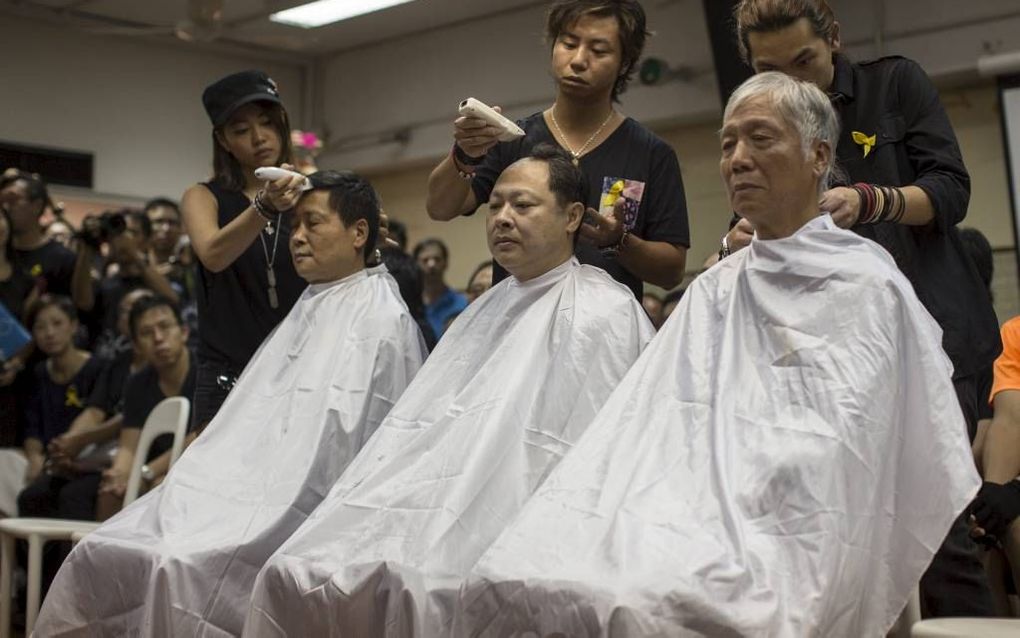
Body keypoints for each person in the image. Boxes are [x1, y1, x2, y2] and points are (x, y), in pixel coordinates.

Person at [457, 72, 979, 637]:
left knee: (674, 604)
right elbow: (650, 424)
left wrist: (751, 485)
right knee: (518, 573)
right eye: (728, 143)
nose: (737, 158)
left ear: (819, 154)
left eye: (761, 139)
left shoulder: (866, 284)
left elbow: (849, 448)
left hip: (793, 519)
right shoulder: (715, 287)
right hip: (689, 508)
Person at [245, 145, 655, 637]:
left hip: (527, 520)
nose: (502, 218)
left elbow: (597, 455)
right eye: (496, 205)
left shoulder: (605, 311)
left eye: (522, 206)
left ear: (571, 216)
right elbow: (420, 429)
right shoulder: (483, 312)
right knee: (297, 565)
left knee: (424, 584)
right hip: (437, 502)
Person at [35, 170, 427, 638]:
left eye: (313, 224)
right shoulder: (314, 301)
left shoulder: (381, 319)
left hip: (293, 509)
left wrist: (258, 491)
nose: (297, 238)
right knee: (106, 548)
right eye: (294, 226)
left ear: (359, 232)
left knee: (176, 566)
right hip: (243, 492)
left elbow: (340, 449)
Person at [729, 0, 1001, 616]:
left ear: (833, 39)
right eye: (772, 70)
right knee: (835, 519)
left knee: (937, 525)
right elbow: (752, 210)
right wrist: (735, 238)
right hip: (827, 356)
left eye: (805, 62)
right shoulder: (763, 121)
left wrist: (873, 200)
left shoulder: (894, 85)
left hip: (930, 334)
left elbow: (951, 190)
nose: (793, 85)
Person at [425, 0, 690, 298]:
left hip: (605, 332)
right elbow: (440, 208)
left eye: (599, 50)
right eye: (568, 43)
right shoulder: (515, 139)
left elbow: (672, 271)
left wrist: (619, 241)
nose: (578, 60)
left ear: (625, 63)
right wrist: (464, 155)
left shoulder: (651, 153)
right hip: (519, 326)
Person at [181, 70, 307, 428]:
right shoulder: (203, 196)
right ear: (222, 140)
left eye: (267, 123)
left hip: (296, 371)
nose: (259, 137)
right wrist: (264, 207)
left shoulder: (310, 195)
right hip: (228, 375)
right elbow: (213, 254)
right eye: (241, 130)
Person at [94, 295, 196, 519]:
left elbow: (201, 436)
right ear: (137, 346)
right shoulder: (138, 383)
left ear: (184, 332)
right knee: (110, 493)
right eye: (147, 333)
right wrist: (119, 474)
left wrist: (146, 472)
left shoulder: (205, 372)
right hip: (152, 469)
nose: (158, 338)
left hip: (197, 465)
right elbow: (129, 446)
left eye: (165, 327)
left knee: (163, 488)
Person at [71, 209, 179, 358]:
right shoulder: (104, 284)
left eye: (132, 233)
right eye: (117, 234)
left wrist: (134, 254)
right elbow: (83, 303)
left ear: (147, 240)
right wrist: (87, 246)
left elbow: (172, 301)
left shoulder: (158, 281)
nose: (122, 239)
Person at [0, 171, 76, 297]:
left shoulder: (62, 259)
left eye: (12, 200)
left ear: (37, 205)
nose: (6, 207)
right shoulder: (2, 253)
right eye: (2, 202)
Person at [413, 238, 467, 337]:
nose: (431, 264)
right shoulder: (411, 304)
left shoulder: (461, 303)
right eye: (425, 260)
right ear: (416, 264)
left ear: (446, 263)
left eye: (437, 259)